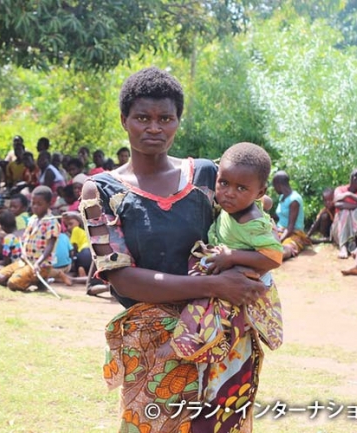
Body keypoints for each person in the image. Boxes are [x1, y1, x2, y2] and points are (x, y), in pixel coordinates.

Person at [80, 67, 265, 432]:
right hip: (153, 344)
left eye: (166, 118)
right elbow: (123, 279)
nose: (154, 128)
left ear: (178, 121)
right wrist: (214, 285)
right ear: (124, 120)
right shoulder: (100, 191)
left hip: (222, 333)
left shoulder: (208, 177)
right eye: (142, 118)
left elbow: (254, 228)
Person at [171, 142, 283, 369]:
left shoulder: (250, 221)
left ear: (259, 191)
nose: (229, 193)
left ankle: (182, 346)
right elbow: (265, 202)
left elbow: (274, 257)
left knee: (204, 306)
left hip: (246, 276)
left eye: (241, 188)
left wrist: (232, 256)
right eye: (223, 183)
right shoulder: (239, 205)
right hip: (232, 269)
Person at [0, 186, 61, 291]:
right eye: (33, 203)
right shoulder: (32, 219)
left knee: (12, 284)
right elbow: (25, 238)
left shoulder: (51, 222)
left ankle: (37, 278)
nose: (35, 207)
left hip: (40, 265)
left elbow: (50, 245)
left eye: (39, 204)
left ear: (48, 204)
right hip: (25, 261)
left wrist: (39, 262)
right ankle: (31, 279)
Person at [331, 169, 357, 259]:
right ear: (354, 179)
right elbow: (337, 203)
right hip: (339, 229)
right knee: (345, 212)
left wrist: (350, 195)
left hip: (355, 229)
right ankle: (343, 246)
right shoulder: (340, 190)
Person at [272, 170, 310, 259]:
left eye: (274, 186)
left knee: (287, 247)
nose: (274, 189)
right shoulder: (282, 197)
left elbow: (290, 227)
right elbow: (280, 215)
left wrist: (278, 241)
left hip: (293, 233)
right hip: (279, 230)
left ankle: (276, 255)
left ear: (279, 185)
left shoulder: (294, 200)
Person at [62, 211, 92, 277]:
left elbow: (73, 249)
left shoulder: (76, 230)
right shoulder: (85, 231)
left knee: (78, 264)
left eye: (71, 224)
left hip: (84, 253)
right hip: (91, 254)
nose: (69, 227)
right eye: (67, 226)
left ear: (78, 222)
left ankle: (80, 270)